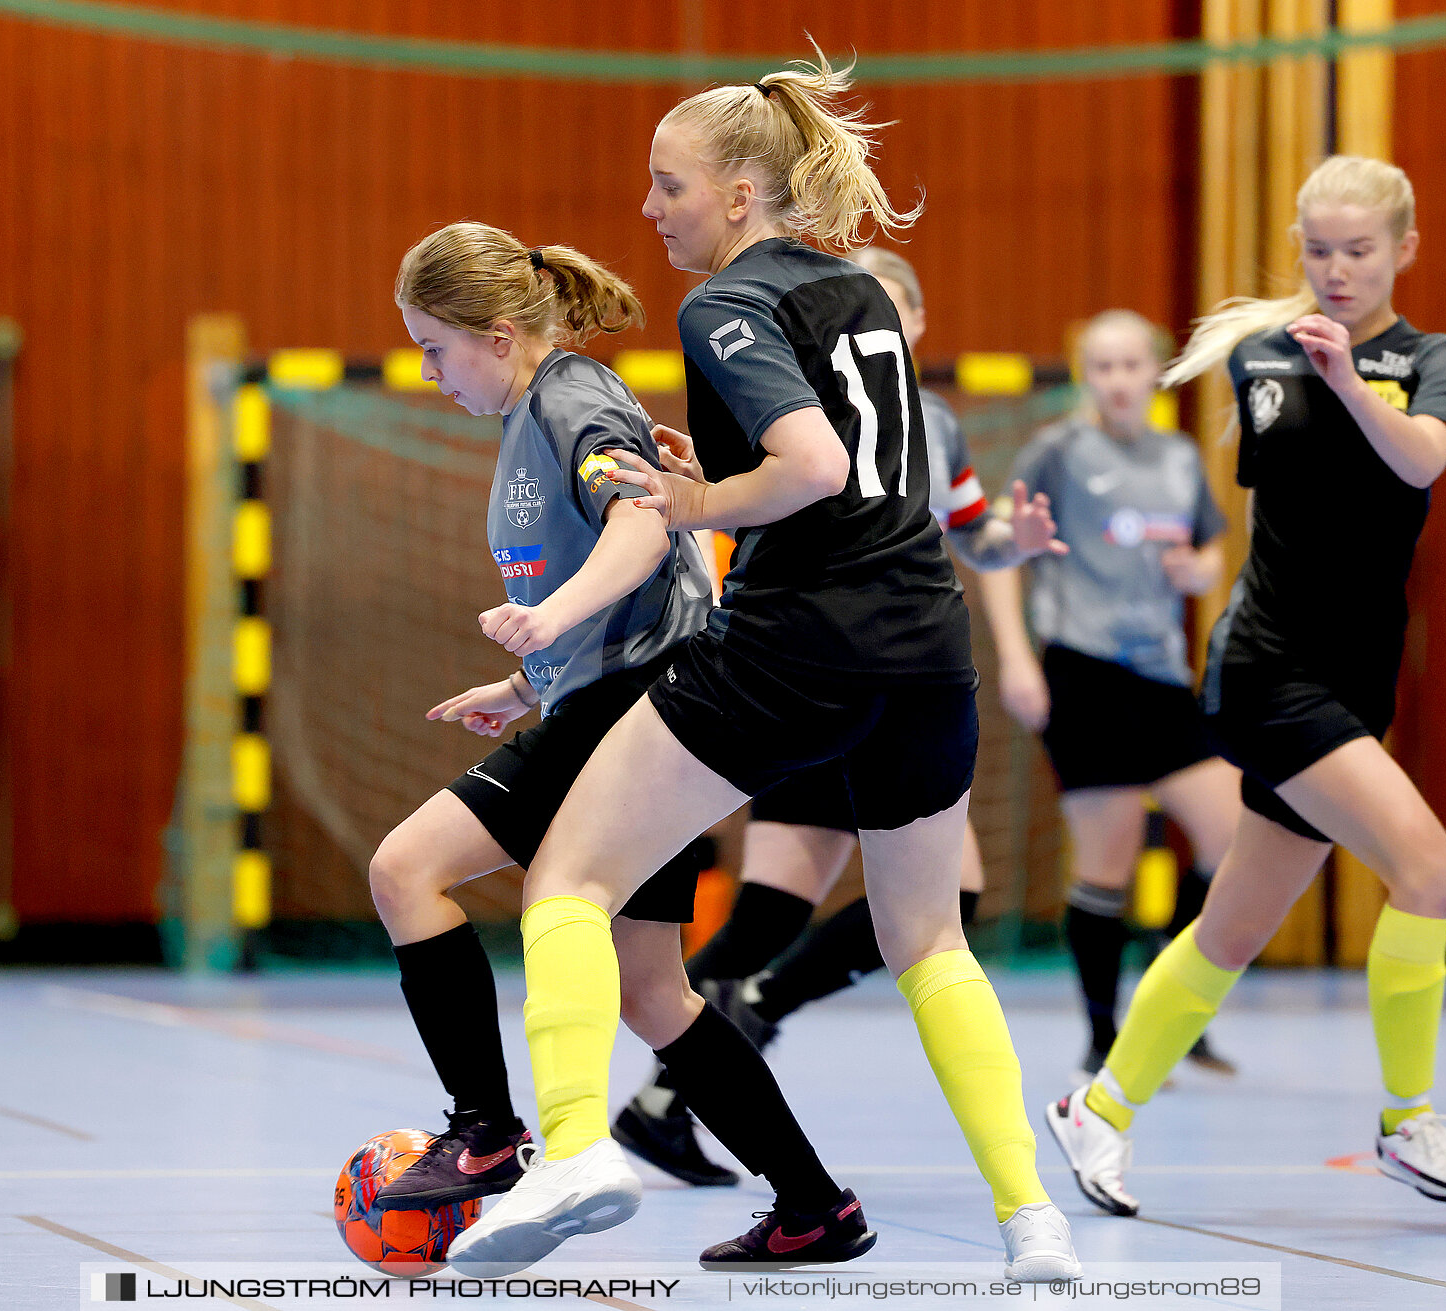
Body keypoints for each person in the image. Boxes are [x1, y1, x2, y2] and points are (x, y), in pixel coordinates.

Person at [448, 54, 1082, 1282]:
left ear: (741, 195)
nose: (650, 208)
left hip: (804, 638)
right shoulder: (853, 286)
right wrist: (720, 468)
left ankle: (576, 1149)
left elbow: (812, 468)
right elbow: (841, 451)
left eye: (667, 184)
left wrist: (693, 501)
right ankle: (1031, 1221)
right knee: (930, 943)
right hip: (925, 645)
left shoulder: (723, 302)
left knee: (567, 883)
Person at [368, 223, 867, 1258]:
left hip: (640, 706)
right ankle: (815, 1205)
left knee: (406, 870)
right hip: (617, 693)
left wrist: (546, 631)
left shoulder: (572, 399)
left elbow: (645, 530)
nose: (427, 372)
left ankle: (486, 1136)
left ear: (499, 336)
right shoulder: (531, 413)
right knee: (652, 992)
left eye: (434, 347)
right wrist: (524, 679)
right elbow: (608, 578)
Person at [1045, 155, 1446, 1217]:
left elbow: (1422, 461)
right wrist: (1335, 377)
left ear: (1404, 250)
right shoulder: (1266, 358)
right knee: (1429, 873)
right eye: (1319, 251)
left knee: (1232, 931)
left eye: (1359, 251)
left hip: (1355, 678)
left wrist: (1357, 380)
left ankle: (1099, 1109)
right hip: (1271, 672)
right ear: (1298, 249)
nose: (1336, 271)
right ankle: (1407, 1122)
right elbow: (1322, 486)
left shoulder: (1441, 359)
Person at [613, 245, 1019, 1188]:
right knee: (804, 911)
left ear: (912, 324)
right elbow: (770, 486)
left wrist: (1013, 543)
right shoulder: (777, 389)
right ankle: (706, 1053)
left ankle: (669, 1093)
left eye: (903, 308)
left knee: (871, 906)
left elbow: (971, 527)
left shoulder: (937, 425)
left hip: (886, 666)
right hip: (807, 658)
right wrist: (699, 493)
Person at [974, 309, 1242, 1083]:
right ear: (1086, 376)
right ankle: (1103, 1035)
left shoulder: (1180, 457)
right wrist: (1020, 659)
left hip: (1160, 674)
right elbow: (996, 548)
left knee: (1232, 840)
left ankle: (1174, 998)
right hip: (1082, 672)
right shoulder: (1058, 451)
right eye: (1103, 367)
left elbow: (1209, 543)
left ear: (1154, 371)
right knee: (1109, 862)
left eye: (1131, 365)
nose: (1119, 380)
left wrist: (1202, 568)